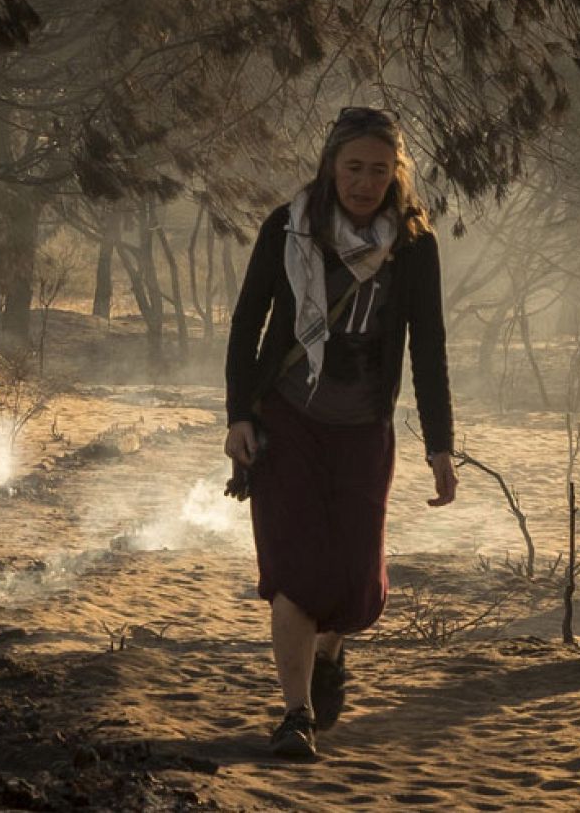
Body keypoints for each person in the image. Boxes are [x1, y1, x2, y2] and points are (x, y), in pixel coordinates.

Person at [223, 106, 457, 760]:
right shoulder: (288, 226)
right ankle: (295, 715)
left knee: (356, 585)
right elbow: (247, 323)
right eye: (353, 167)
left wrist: (440, 445)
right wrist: (238, 415)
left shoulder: (413, 244)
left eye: (379, 170)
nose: (364, 182)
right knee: (295, 574)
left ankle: (329, 653)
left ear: (396, 173)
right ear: (330, 166)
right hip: (288, 423)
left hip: (363, 431)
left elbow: (428, 346)